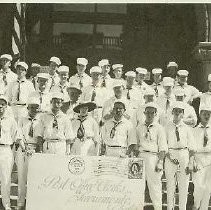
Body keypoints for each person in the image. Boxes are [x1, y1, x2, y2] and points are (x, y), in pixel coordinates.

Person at [165, 101, 196, 210]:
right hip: (170, 155)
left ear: (183, 113)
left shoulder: (187, 128)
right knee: (170, 186)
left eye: (180, 111)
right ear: (172, 112)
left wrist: (190, 162)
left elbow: (192, 147)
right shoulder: (167, 126)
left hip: (184, 155)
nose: (177, 113)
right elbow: (163, 145)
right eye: (176, 111)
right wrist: (170, 157)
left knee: (183, 186)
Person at [136, 102, 167, 210]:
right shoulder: (139, 127)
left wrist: (160, 162)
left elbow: (163, 147)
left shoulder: (159, 128)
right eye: (147, 112)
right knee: (138, 186)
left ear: (155, 114)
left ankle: (158, 208)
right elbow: (136, 144)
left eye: (152, 113)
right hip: (140, 156)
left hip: (153, 158)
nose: (149, 115)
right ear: (144, 113)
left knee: (155, 186)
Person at [16, 97, 41, 210]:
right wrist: (24, 148)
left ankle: (32, 203)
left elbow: (41, 137)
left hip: (35, 151)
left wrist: (36, 150)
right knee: (21, 178)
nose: (33, 110)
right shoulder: (22, 119)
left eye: (36, 108)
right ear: (27, 108)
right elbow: (19, 135)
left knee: (34, 178)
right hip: (23, 149)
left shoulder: (41, 121)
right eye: (31, 107)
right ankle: (20, 203)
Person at [0, 95, 18, 210]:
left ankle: (6, 204)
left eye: (3, 104)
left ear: (6, 106)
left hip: (5, 149)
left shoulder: (11, 120)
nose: (0, 106)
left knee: (6, 179)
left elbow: (16, 136)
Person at [192, 106, 211, 210]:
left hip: (210, 160)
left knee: (208, 189)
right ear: (200, 115)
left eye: (209, 114)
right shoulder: (194, 130)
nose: (207, 116)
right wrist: (193, 162)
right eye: (204, 114)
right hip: (198, 160)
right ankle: (195, 206)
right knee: (199, 186)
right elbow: (191, 149)